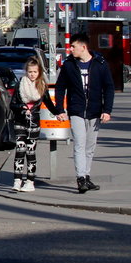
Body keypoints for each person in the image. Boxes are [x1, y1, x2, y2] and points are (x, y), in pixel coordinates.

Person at [53, 33, 116, 194]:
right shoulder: (69, 65)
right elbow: (60, 87)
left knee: (90, 146)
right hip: (76, 110)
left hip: (95, 111)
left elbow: (109, 87)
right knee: (79, 144)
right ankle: (80, 178)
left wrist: (107, 110)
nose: (70, 49)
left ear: (83, 47)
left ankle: (86, 176)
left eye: (73, 46)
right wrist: (60, 109)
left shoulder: (100, 64)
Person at [9, 57, 55, 193]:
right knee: (20, 150)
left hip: (34, 122)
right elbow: (12, 104)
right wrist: (21, 107)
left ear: (39, 72)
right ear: (26, 72)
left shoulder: (42, 86)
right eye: (30, 72)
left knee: (30, 152)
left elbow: (48, 103)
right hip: (20, 121)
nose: (32, 74)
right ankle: (17, 180)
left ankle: (30, 181)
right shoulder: (20, 85)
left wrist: (59, 113)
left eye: (35, 72)